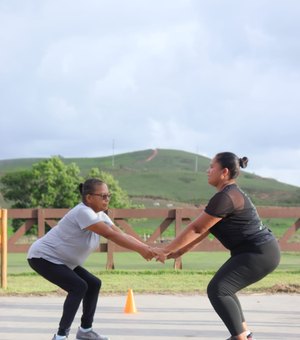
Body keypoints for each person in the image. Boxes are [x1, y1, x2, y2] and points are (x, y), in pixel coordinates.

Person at [154, 152, 281, 340]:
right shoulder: (227, 195)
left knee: (219, 289)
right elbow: (204, 231)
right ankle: (244, 335)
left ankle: (240, 337)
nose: (207, 170)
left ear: (224, 172)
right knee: (225, 289)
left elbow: (197, 228)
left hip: (258, 252)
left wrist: (166, 249)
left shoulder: (227, 197)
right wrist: (178, 251)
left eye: (212, 166)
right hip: (256, 251)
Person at [27, 178, 155, 340]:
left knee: (93, 284)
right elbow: (110, 235)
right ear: (89, 198)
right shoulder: (83, 212)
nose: (107, 199)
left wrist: (148, 248)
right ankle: (60, 336)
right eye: (103, 196)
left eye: (109, 195)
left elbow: (120, 233)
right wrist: (142, 250)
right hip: (43, 257)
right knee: (78, 286)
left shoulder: (99, 215)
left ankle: (85, 331)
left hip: (63, 261)